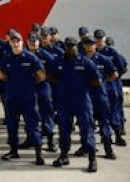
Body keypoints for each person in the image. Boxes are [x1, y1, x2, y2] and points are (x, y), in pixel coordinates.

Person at [49, 37, 102, 173]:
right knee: (64, 130)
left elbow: (96, 80)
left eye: (72, 46)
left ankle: (92, 158)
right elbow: (52, 77)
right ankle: (64, 155)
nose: (70, 48)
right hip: (65, 102)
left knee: (86, 130)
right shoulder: (59, 61)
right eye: (68, 46)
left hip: (82, 101)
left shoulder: (86, 62)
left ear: (77, 47)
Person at [0, 31, 46, 166]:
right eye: (13, 41)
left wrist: (30, 85)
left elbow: (41, 75)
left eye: (18, 41)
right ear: (10, 43)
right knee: (12, 125)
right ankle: (13, 150)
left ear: (22, 42)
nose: (15, 43)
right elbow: (1, 73)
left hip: (28, 99)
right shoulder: (7, 58)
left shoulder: (30, 58)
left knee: (32, 126)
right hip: (12, 98)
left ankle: (38, 154)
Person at [83, 37, 117, 160]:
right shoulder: (81, 60)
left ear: (95, 46)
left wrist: (102, 82)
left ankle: (108, 149)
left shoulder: (104, 59)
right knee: (87, 125)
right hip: (86, 97)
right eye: (87, 45)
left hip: (101, 96)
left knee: (104, 125)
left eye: (91, 44)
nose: (90, 47)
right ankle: (86, 147)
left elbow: (114, 74)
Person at [26, 32, 58, 152]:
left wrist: (47, 77)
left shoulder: (45, 55)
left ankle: (50, 142)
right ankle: (30, 139)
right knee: (30, 116)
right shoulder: (24, 55)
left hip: (43, 89)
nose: (33, 44)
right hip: (29, 90)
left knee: (47, 116)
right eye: (31, 41)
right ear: (27, 43)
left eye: (35, 41)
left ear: (38, 42)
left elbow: (55, 68)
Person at [96, 29, 128, 145]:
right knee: (102, 114)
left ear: (104, 39)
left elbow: (122, 68)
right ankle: (105, 136)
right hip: (99, 88)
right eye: (97, 39)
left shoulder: (112, 53)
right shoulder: (93, 54)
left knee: (115, 112)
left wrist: (114, 77)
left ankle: (118, 135)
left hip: (112, 86)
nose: (99, 41)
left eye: (101, 38)